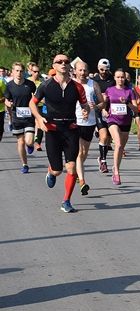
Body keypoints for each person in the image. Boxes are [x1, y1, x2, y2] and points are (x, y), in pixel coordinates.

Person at [29, 53, 91, 213]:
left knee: (71, 168)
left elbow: (85, 105)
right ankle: (51, 171)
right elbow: (32, 103)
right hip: (52, 130)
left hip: (71, 130)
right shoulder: (46, 85)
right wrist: (38, 118)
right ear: (54, 66)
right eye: (59, 61)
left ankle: (66, 201)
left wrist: (85, 111)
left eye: (66, 61)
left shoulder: (77, 87)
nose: (63, 63)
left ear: (70, 66)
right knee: (58, 170)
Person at [73, 61, 104, 195]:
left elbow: (102, 102)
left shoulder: (93, 84)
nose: (82, 73)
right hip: (74, 121)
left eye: (85, 70)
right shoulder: (71, 84)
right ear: (75, 71)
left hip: (90, 123)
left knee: (84, 153)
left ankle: (75, 170)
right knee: (79, 153)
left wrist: (95, 107)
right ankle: (82, 182)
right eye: (80, 70)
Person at [105, 69, 139, 185]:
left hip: (126, 122)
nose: (120, 79)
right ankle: (117, 172)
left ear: (125, 78)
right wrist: (104, 111)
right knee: (118, 144)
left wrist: (127, 103)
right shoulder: (109, 90)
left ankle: (115, 167)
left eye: (122, 77)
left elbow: (136, 109)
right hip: (112, 120)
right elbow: (104, 104)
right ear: (114, 78)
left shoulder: (129, 91)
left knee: (120, 148)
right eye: (118, 77)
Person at [3, 62, 37, 174]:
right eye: (16, 71)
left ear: (24, 72)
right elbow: (7, 100)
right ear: (12, 72)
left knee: (29, 141)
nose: (19, 73)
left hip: (29, 117)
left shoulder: (30, 84)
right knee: (20, 142)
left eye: (21, 71)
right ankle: (25, 164)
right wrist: (8, 104)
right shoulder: (9, 86)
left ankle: (30, 145)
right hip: (17, 117)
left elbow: (36, 97)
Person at [93, 59, 115, 173]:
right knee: (104, 136)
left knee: (108, 139)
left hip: (111, 111)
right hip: (99, 110)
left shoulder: (112, 80)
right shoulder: (93, 81)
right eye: (101, 69)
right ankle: (103, 161)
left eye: (106, 70)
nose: (104, 72)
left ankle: (101, 157)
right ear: (98, 68)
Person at [27, 63, 44, 151]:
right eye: (35, 71)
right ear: (31, 72)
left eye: (38, 71)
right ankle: (30, 141)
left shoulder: (41, 83)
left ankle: (38, 142)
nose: (36, 73)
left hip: (40, 106)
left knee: (40, 123)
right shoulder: (27, 81)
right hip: (28, 106)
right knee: (31, 125)